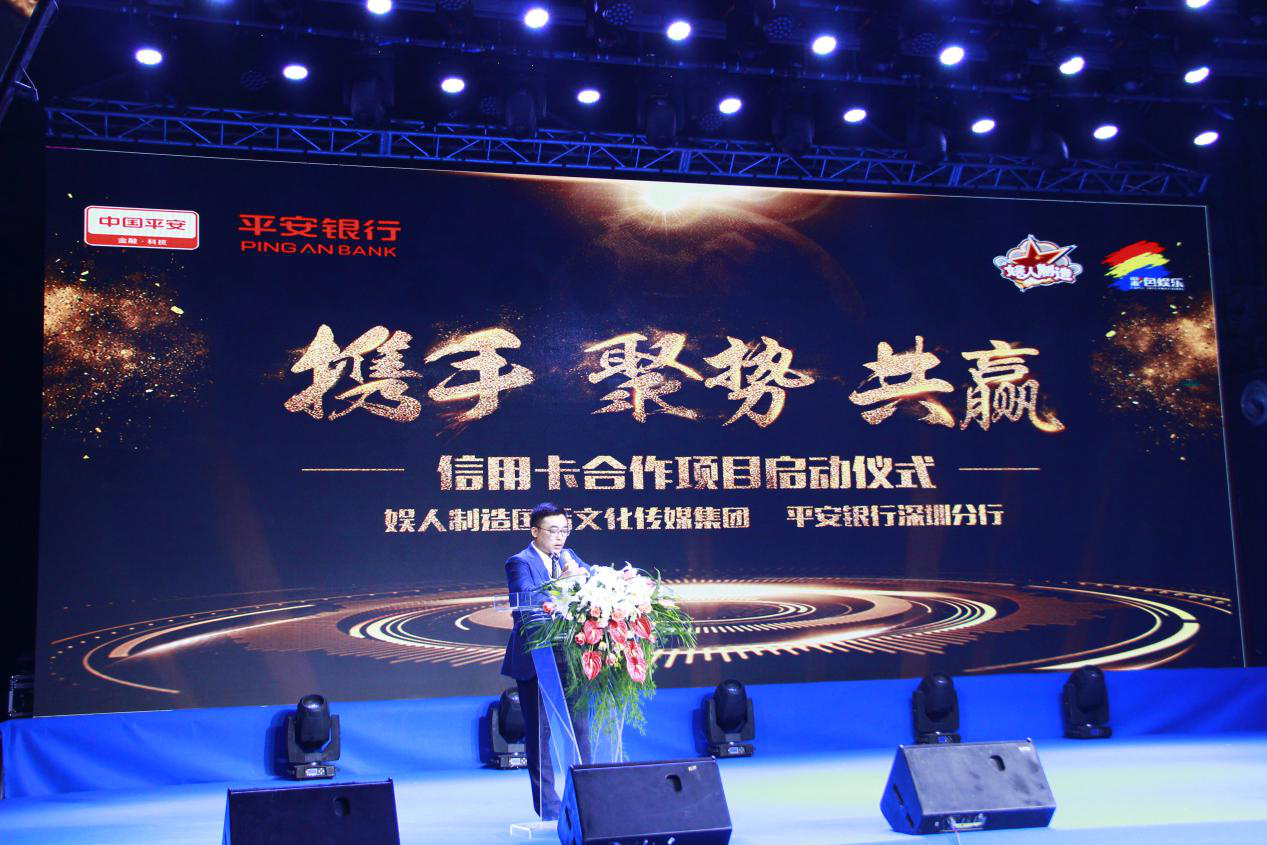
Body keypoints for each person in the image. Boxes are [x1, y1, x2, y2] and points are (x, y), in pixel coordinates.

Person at [500, 502, 592, 819]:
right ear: (535, 531)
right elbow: (527, 597)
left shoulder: (569, 557)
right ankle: (548, 806)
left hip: (570, 654)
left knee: (579, 728)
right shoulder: (519, 562)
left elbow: (591, 580)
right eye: (553, 531)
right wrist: (563, 583)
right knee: (540, 733)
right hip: (535, 658)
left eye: (564, 530)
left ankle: (586, 797)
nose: (560, 537)